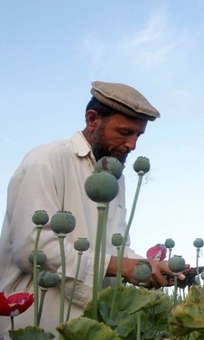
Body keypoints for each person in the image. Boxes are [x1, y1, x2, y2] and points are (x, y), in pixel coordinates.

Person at [0, 81, 181, 338]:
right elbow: (33, 248)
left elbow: (116, 248)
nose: (132, 145)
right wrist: (121, 265)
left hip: (92, 326)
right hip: (37, 320)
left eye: (138, 136)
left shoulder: (115, 177)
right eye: (124, 132)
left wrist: (149, 266)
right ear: (93, 119)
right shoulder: (47, 160)